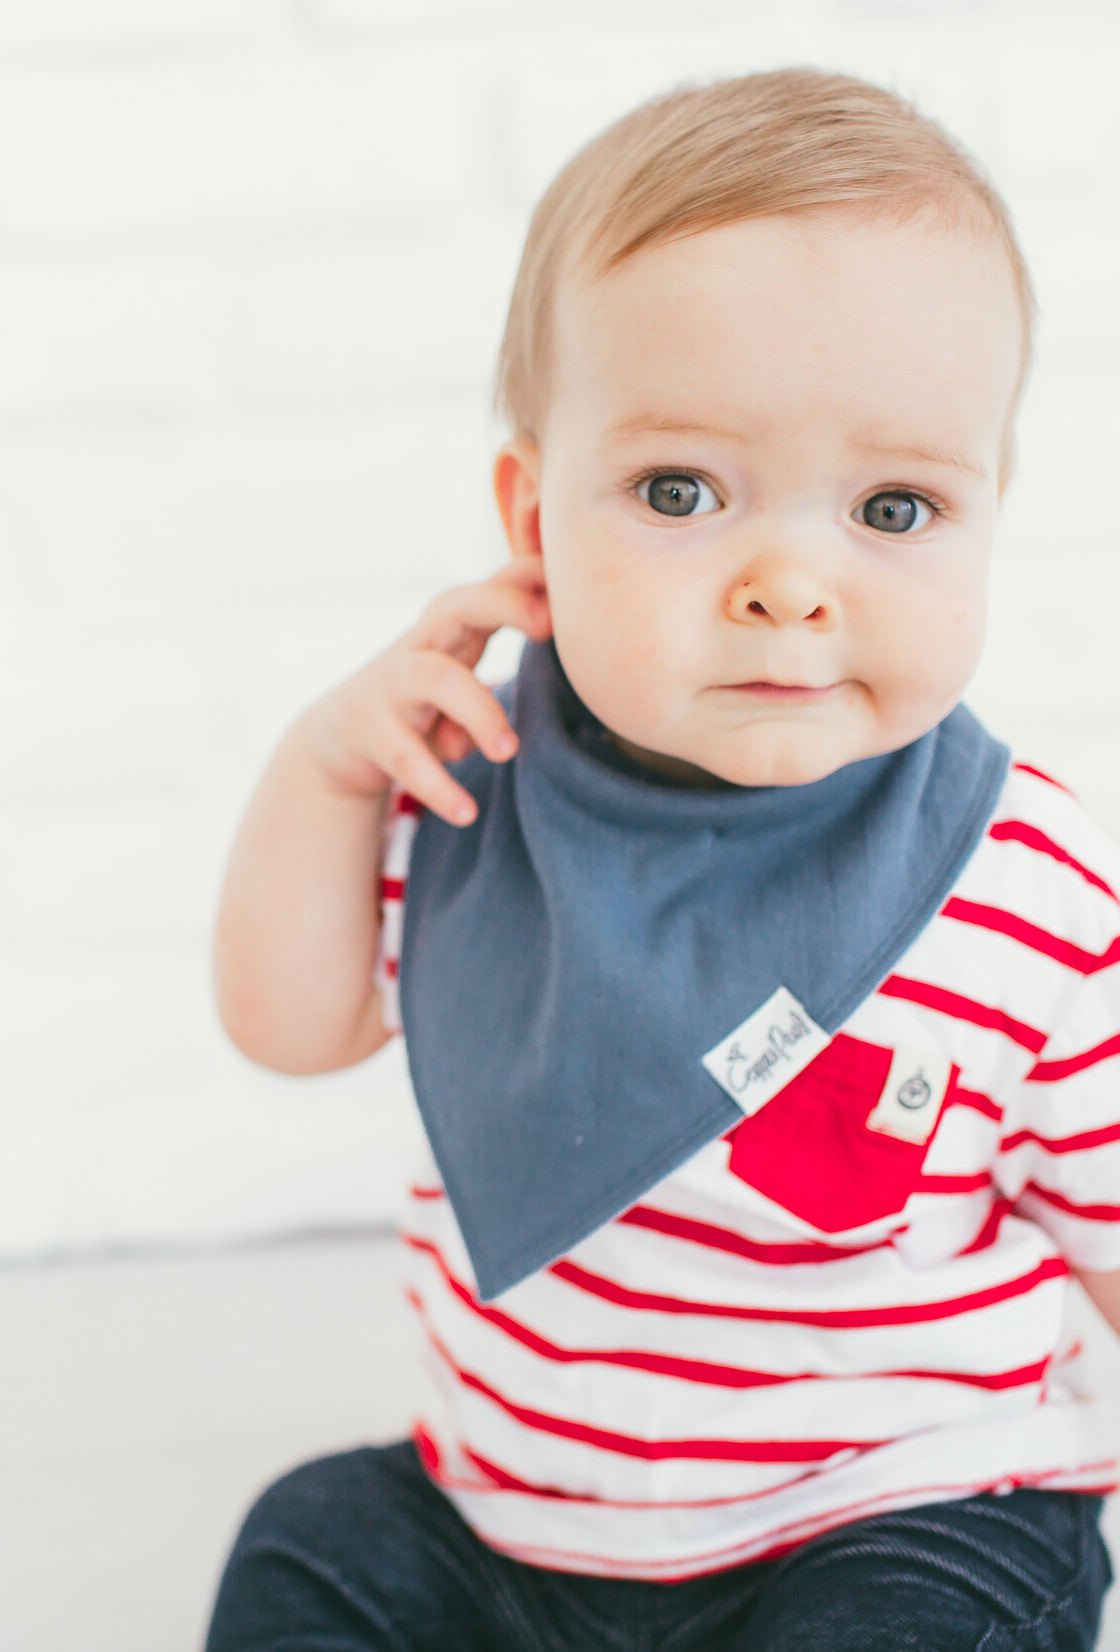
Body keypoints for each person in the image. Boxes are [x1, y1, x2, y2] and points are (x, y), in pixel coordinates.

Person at [207, 68, 1120, 1651]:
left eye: (895, 506)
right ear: (534, 518)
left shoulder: (1026, 883)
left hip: (898, 1509)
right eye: (680, 491)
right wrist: (327, 765)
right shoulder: (467, 792)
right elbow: (290, 1024)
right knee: (310, 1545)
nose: (790, 582)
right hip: (513, 1523)